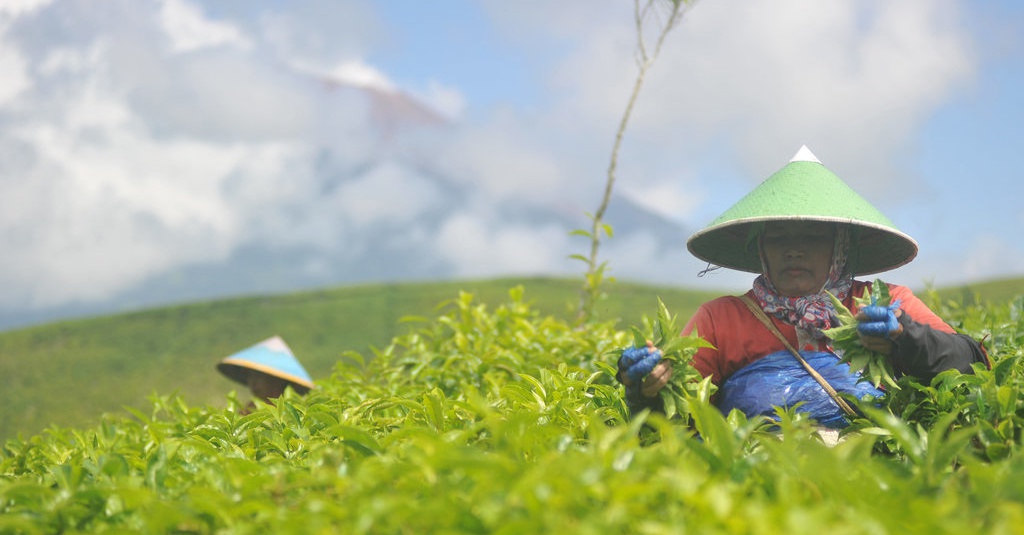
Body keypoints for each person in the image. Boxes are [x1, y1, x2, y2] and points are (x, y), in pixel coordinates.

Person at [616, 146, 988, 428]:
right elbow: (674, 412)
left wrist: (905, 338)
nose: (794, 249)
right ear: (760, 249)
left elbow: (968, 363)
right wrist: (646, 387)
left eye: (812, 236)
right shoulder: (721, 319)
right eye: (778, 237)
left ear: (841, 246)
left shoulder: (884, 304)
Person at [216, 335, 315, 414]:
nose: (252, 382)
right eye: (250, 376)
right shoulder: (250, 409)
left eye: (258, 377)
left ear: (276, 379)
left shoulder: (294, 412)